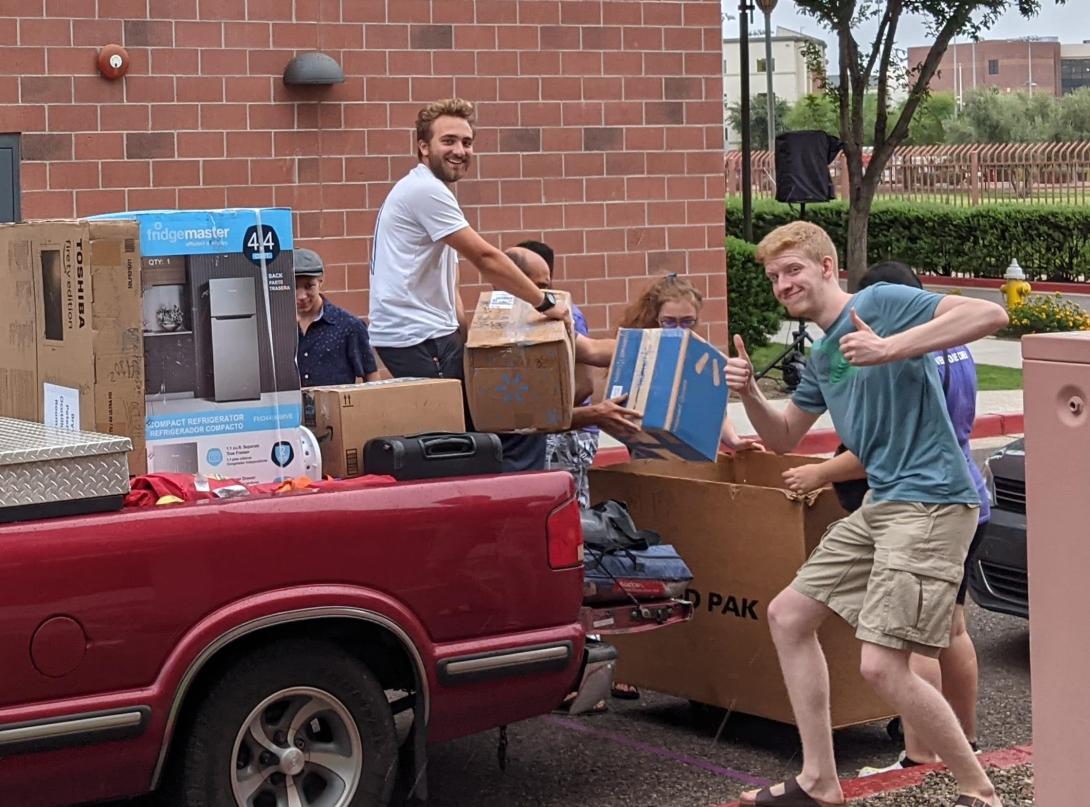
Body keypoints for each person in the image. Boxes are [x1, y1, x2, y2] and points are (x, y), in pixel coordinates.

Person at [724, 221, 1008, 807]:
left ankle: (982, 794)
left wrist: (890, 347)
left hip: (931, 499)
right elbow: (781, 437)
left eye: (793, 270)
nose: (782, 284)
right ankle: (820, 782)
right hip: (884, 503)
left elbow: (991, 316)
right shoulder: (825, 356)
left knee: (882, 667)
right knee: (788, 616)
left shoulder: (878, 302)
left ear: (828, 267)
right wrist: (750, 392)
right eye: (774, 276)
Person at [779, 261, 990, 776]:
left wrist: (823, 472)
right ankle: (962, 743)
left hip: (929, 500)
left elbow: (885, 442)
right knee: (948, 630)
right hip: (957, 492)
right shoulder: (951, 348)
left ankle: (926, 757)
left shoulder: (907, 347)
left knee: (906, 644)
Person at [367, 98, 588, 472]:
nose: (460, 151)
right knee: (514, 421)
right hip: (420, 339)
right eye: (448, 141)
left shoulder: (431, 191)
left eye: (467, 142)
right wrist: (544, 302)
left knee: (476, 436)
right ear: (423, 146)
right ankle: (517, 512)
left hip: (428, 336)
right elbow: (486, 258)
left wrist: (469, 338)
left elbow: (449, 281)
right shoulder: (426, 191)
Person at [508, 241, 642, 507]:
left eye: (548, 285)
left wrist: (663, 346)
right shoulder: (490, 331)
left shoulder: (558, 318)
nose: (548, 295)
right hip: (523, 450)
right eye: (541, 287)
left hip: (556, 437)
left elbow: (591, 354)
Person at [619, 273, 759, 453]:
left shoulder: (702, 356)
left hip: (690, 450)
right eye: (669, 322)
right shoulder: (642, 351)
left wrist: (733, 440)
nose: (678, 329)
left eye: (687, 322)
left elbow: (714, 410)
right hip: (648, 450)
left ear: (697, 319)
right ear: (657, 319)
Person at [295, 247, 381, 386]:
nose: (301, 296)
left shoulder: (349, 326)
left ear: (321, 280)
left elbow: (372, 378)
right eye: (293, 287)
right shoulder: (277, 329)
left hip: (335, 406)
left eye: (309, 286)